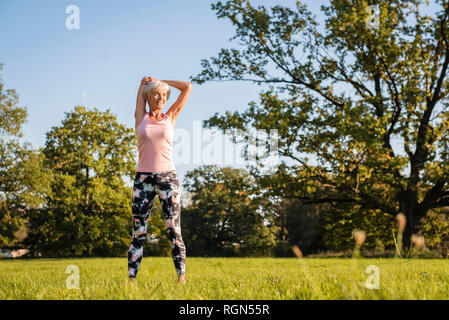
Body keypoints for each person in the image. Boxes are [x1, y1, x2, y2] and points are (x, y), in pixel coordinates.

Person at [128, 76, 192, 284]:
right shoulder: (140, 116)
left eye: (164, 95)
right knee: (139, 231)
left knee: (174, 229)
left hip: (168, 178)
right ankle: (131, 279)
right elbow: (141, 92)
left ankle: (181, 277)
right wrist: (143, 85)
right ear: (147, 97)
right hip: (142, 180)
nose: (161, 98)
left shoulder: (170, 116)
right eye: (157, 93)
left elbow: (187, 87)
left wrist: (161, 81)